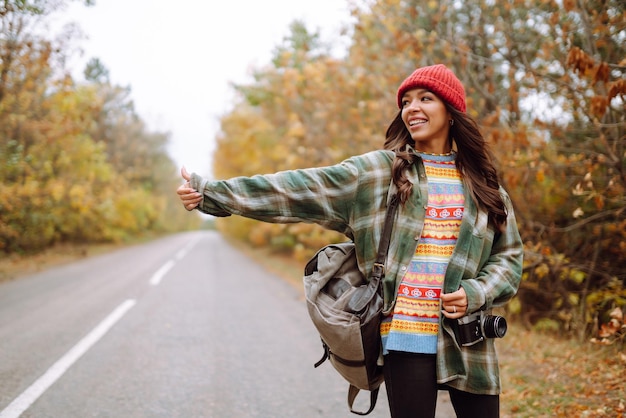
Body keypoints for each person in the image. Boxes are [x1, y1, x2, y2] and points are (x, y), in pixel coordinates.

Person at [177, 64, 523, 418]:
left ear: (451, 112)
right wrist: (212, 194)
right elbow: (300, 188)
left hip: (470, 337)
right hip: (406, 335)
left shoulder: (485, 187)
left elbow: (509, 258)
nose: (412, 108)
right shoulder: (379, 173)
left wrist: (476, 293)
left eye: (425, 98)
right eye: (405, 101)